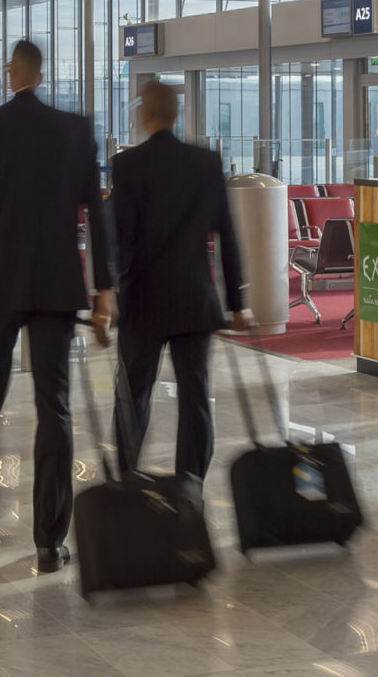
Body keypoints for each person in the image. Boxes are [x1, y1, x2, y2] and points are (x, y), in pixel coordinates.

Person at [0, 39, 117, 572]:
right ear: (41, 73)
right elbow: (95, 213)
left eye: (6, 67)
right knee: (56, 406)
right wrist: (103, 290)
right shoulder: (75, 130)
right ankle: (49, 538)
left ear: (15, 71)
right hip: (55, 286)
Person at [108, 80, 250, 481]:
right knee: (195, 398)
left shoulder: (127, 165)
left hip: (142, 300)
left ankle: (127, 480)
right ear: (175, 114)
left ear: (145, 115)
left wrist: (112, 292)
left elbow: (121, 237)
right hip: (194, 299)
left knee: (132, 395)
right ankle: (192, 485)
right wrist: (237, 302)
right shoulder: (205, 162)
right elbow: (227, 233)